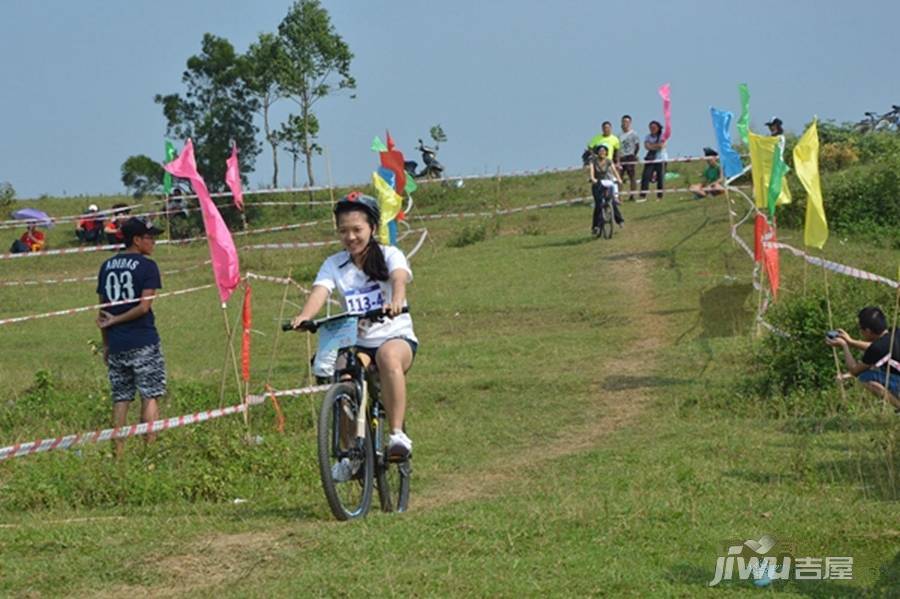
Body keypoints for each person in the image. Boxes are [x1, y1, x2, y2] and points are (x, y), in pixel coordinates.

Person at [290, 192, 418, 477]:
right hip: (357, 342)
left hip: (395, 336)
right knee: (342, 373)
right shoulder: (334, 264)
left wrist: (397, 299)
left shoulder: (389, 254)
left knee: (387, 357)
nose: (350, 237)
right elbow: (320, 292)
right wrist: (305, 316)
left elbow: (399, 278)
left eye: (357, 230)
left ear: (372, 228)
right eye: (343, 231)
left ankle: (397, 435)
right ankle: (351, 452)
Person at [96, 217, 166, 457]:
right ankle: (150, 451)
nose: (153, 242)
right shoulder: (148, 266)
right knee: (150, 395)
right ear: (136, 240)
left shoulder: (106, 266)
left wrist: (106, 342)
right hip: (143, 340)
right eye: (150, 237)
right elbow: (143, 307)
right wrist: (116, 320)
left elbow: (102, 310)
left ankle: (118, 453)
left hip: (116, 343)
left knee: (121, 398)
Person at [826, 306, 900, 411]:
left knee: (865, 376)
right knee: (877, 367)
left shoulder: (877, 349)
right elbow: (876, 347)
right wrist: (851, 342)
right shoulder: (895, 332)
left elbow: (854, 370)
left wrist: (844, 346)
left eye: (860, 329)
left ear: (868, 331)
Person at [589, 144, 624, 234]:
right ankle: (595, 226)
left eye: (604, 151)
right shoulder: (593, 161)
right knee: (598, 204)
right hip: (597, 183)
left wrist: (619, 179)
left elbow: (614, 170)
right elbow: (592, 172)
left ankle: (619, 221)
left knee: (612, 201)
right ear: (597, 153)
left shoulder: (609, 161)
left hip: (607, 182)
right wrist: (593, 179)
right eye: (600, 151)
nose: (602, 153)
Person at [639, 120, 667, 201]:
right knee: (645, 176)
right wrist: (656, 146)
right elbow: (646, 147)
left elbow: (662, 146)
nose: (652, 129)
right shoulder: (647, 136)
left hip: (661, 159)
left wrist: (652, 145)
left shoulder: (662, 136)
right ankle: (643, 196)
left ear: (658, 128)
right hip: (650, 159)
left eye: (654, 127)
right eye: (651, 127)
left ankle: (659, 196)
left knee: (660, 178)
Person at [618, 115, 641, 197]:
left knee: (632, 176)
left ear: (630, 123)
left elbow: (637, 145)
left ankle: (633, 195)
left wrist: (634, 155)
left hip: (630, 156)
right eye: (623, 122)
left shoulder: (634, 134)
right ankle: (619, 195)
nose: (625, 123)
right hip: (621, 157)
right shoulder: (619, 135)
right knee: (619, 176)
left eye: (627, 122)